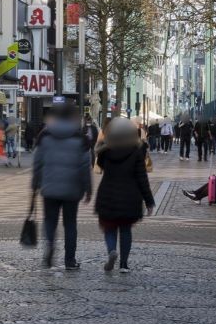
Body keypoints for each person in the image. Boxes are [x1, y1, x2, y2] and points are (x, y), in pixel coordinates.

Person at [31, 105, 92, 270]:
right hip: (72, 189)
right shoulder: (80, 138)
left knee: (50, 221)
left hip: (49, 187)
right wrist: (88, 189)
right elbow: (85, 166)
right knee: (70, 224)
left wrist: (35, 184)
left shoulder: (45, 136)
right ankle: (70, 260)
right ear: (72, 118)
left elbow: (37, 163)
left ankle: (49, 247)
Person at [95, 117, 155, 273]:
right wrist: (149, 201)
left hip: (108, 194)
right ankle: (123, 264)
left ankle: (111, 251)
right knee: (126, 230)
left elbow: (100, 164)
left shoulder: (106, 152)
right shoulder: (136, 153)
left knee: (109, 228)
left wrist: (103, 143)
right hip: (130, 196)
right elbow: (142, 179)